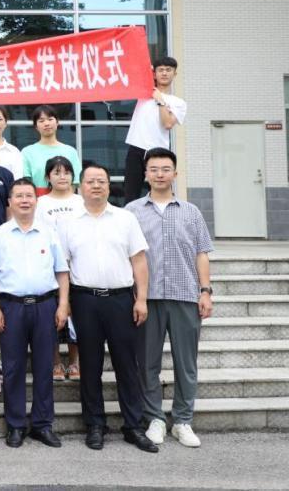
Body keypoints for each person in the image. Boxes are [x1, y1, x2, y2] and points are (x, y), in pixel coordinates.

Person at [55, 163, 156, 453]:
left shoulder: (125, 219)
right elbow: (63, 267)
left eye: (101, 181)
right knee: (90, 365)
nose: (96, 185)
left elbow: (139, 261)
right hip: (84, 300)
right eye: (90, 181)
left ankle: (133, 426)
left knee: (127, 365)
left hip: (121, 300)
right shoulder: (68, 222)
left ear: (109, 186)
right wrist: (65, 302)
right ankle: (95, 425)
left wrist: (141, 299)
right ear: (81, 187)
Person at [127, 148, 213, 448]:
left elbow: (201, 253)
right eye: (154, 169)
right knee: (147, 363)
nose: (160, 174)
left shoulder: (191, 212)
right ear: (146, 174)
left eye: (165, 169)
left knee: (186, 363)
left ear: (175, 173)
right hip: (147, 298)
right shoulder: (132, 211)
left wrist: (205, 291)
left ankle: (183, 421)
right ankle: (155, 419)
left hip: (185, 295)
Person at [0, 178, 70, 449]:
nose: (24, 200)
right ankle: (16, 425)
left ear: (36, 200)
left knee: (45, 366)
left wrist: (63, 305)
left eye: (29, 196)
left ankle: (43, 425)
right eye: (19, 196)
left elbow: (62, 271)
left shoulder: (48, 232)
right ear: (10, 201)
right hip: (11, 307)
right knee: (13, 368)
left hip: (45, 306)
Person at [35, 155, 83, 381]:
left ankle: (74, 362)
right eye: (56, 172)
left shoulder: (80, 201)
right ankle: (55, 363)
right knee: (52, 315)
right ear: (48, 177)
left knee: (76, 313)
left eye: (66, 172)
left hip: (78, 265)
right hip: (49, 266)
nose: (62, 177)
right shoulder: (41, 203)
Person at [124, 57, 187, 204]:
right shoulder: (143, 93)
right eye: (161, 70)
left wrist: (161, 101)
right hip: (137, 147)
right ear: (154, 73)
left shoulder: (179, 102)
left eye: (168, 70)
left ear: (175, 73)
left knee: (160, 191)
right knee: (131, 193)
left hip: (158, 151)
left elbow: (167, 123)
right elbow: (131, 73)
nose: (164, 73)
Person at [21, 105, 81, 196]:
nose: (46, 123)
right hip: (37, 199)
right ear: (36, 126)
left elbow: (75, 181)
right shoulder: (27, 152)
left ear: (57, 122)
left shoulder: (70, 151)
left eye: (50, 119)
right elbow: (26, 181)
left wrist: (60, 198)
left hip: (64, 199)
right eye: (41, 121)